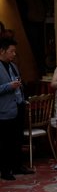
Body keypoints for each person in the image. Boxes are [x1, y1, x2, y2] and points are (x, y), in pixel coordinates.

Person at [0, 37, 34, 180]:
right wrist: (9, 86)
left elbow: (18, 82)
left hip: (18, 107)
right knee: (5, 141)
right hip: (4, 110)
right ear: (2, 51)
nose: (14, 54)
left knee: (17, 139)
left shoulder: (13, 65)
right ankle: (5, 170)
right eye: (11, 51)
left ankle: (18, 166)